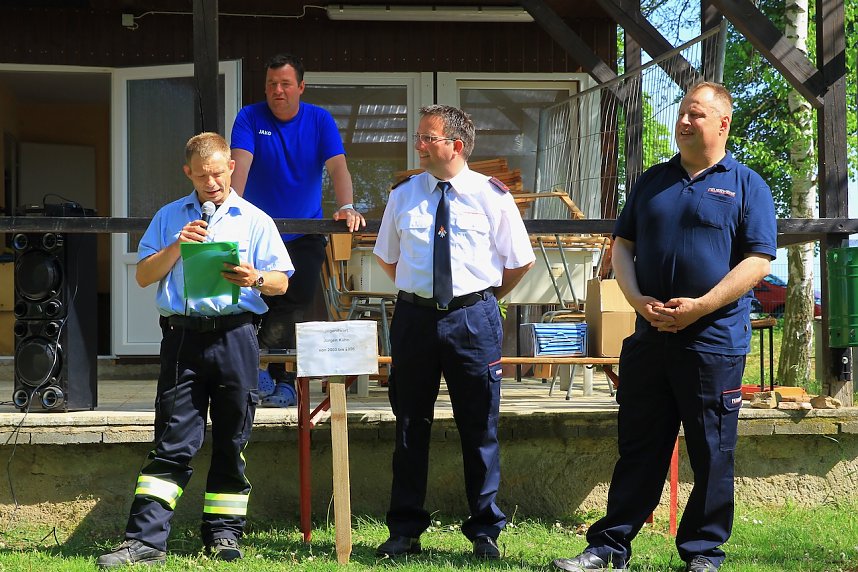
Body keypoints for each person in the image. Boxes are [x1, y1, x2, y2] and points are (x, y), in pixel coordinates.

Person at [552, 82, 776, 572]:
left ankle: (702, 553)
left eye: (696, 114)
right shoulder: (652, 181)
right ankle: (609, 547)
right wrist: (635, 299)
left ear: (723, 123)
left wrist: (701, 306)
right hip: (649, 338)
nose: (684, 121)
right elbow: (624, 245)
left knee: (712, 452)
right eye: (681, 113)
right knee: (638, 448)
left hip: (713, 342)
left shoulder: (746, 185)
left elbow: (758, 260)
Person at [97, 132, 293, 568]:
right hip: (183, 338)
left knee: (232, 439)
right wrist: (177, 247)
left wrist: (255, 278)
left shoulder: (255, 219)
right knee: (172, 440)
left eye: (218, 174)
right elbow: (144, 276)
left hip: (236, 336)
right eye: (202, 176)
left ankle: (223, 536)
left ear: (232, 169)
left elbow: (282, 280)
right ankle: (145, 542)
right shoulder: (169, 217)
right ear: (188, 173)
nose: (211, 183)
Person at [373, 105, 535, 560]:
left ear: (455, 146)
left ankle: (485, 532)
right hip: (415, 320)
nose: (418, 145)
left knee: (479, 425)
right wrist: (421, 291)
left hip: (473, 320)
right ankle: (404, 530)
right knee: (410, 425)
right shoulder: (403, 194)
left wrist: (482, 299)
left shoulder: (491, 194)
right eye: (419, 137)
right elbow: (389, 257)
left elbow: (519, 259)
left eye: (427, 138)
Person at [230, 53, 364, 407]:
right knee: (253, 298)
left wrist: (347, 205)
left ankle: (283, 378)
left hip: (304, 232)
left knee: (292, 303)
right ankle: (261, 371)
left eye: (286, 84)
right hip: (257, 231)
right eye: (272, 84)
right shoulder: (249, 117)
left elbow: (338, 168)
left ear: (300, 87)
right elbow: (238, 168)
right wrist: (230, 212)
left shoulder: (319, 120)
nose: (278, 90)